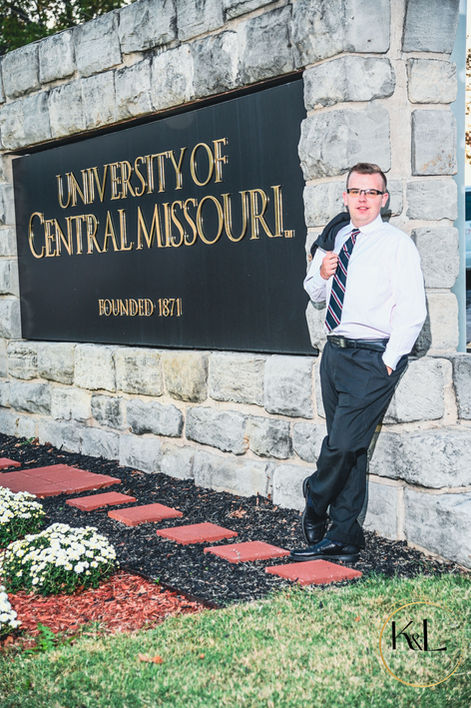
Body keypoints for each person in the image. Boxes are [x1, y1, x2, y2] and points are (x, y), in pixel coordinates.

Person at [291, 163, 426, 563]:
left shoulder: (396, 245)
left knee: (343, 443)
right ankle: (345, 536)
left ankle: (316, 496)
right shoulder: (336, 237)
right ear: (345, 196)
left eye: (371, 192)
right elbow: (314, 293)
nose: (363, 199)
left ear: (384, 199)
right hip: (334, 354)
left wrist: (390, 360)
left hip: (371, 358)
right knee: (352, 450)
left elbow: (413, 309)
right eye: (356, 191)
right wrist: (322, 271)